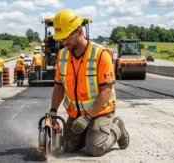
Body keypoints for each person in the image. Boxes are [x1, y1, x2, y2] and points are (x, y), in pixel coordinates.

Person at [49, 9, 130, 157]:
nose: (64, 42)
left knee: (94, 149)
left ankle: (117, 128)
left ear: (79, 31)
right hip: (76, 113)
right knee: (68, 147)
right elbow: (59, 86)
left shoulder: (100, 54)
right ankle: (90, 133)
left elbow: (106, 90)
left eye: (67, 37)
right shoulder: (62, 55)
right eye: (61, 39)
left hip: (100, 111)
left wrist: (88, 117)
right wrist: (53, 112)